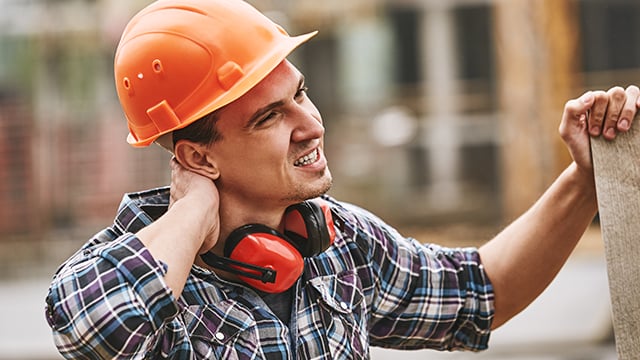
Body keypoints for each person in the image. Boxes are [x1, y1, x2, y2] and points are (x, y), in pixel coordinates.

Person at [45, 0, 640, 358]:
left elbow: (479, 295)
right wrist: (196, 214)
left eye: (300, 93)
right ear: (199, 157)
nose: (310, 124)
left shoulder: (339, 243)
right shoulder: (127, 275)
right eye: (270, 117)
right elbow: (97, 330)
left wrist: (583, 181)